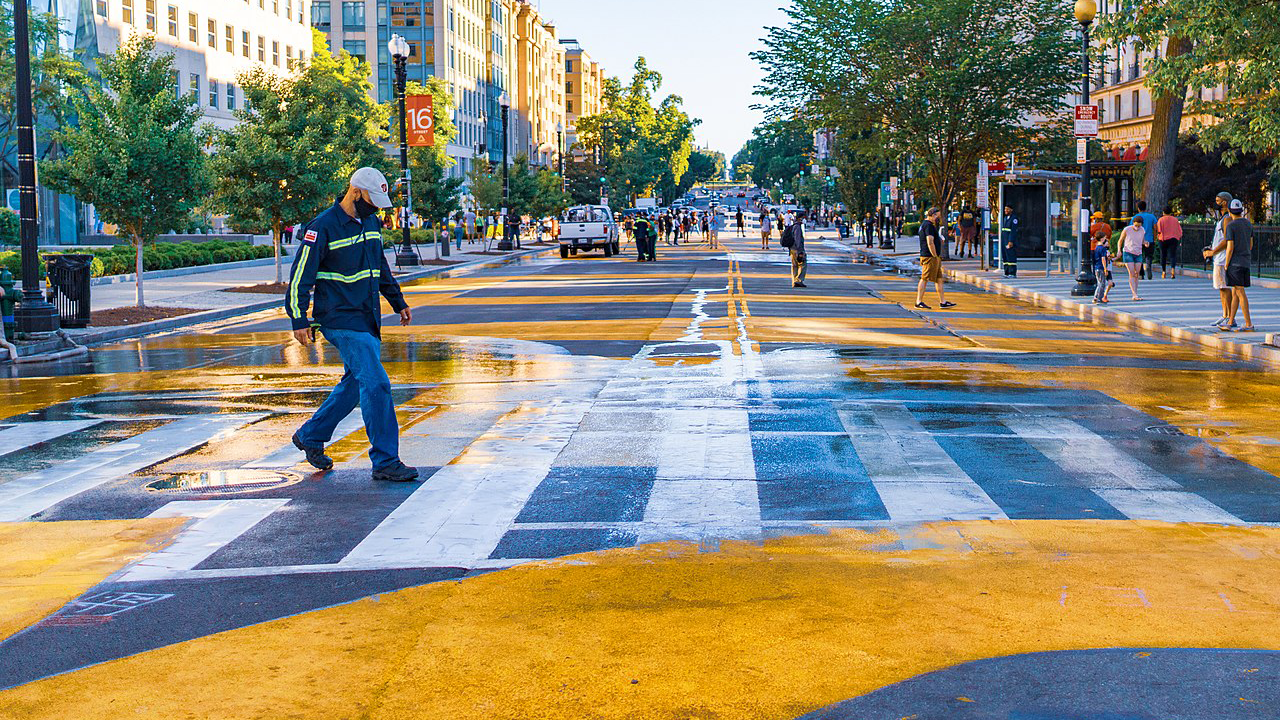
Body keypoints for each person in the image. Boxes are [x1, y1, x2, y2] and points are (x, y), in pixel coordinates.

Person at [285, 167, 418, 483]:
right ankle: (386, 460)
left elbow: (381, 268)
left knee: (357, 382)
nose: (377, 209)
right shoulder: (323, 227)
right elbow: (300, 275)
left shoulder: (371, 223)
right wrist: (298, 317)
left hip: (366, 317)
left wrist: (398, 301)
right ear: (356, 192)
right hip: (339, 318)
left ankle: (311, 435)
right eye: (373, 201)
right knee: (376, 383)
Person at [1221, 198, 1254, 332]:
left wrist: (1226, 263)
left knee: (1240, 292)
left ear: (1229, 211)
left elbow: (1230, 247)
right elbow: (1251, 245)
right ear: (1241, 211)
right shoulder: (1248, 224)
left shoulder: (1231, 226)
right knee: (1235, 292)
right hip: (1246, 261)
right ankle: (1230, 322)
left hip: (1235, 263)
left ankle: (1248, 324)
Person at [1203, 192, 1236, 328]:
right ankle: (1225, 315)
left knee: (1225, 287)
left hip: (1222, 258)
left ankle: (1230, 318)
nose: (1216, 203)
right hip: (1218, 257)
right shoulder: (1221, 218)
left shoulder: (1227, 219)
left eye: (1218, 201)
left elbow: (1227, 240)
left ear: (1225, 202)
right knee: (1221, 288)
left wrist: (1213, 252)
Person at [915, 206, 956, 310]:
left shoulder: (925, 225)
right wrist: (934, 255)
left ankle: (943, 302)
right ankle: (918, 301)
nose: (938, 219)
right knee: (924, 278)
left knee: (939, 279)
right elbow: (930, 241)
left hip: (933, 257)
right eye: (937, 216)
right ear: (933, 215)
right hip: (929, 257)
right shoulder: (928, 225)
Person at [1119, 214, 1147, 301]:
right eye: (1136, 225)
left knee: (1136, 273)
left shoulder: (1142, 230)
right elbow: (1120, 240)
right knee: (1131, 273)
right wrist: (1119, 250)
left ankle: (1136, 292)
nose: (1137, 228)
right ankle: (1134, 294)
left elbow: (1142, 241)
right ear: (1133, 223)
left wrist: (1145, 243)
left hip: (1138, 253)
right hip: (1128, 252)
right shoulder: (1127, 229)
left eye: (1139, 226)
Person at [1134, 200, 1159, 280]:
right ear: (1146, 208)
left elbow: (1132, 228)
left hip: (1138, 241)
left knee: (1139, 257)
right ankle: (1148, 266)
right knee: (1149, 255)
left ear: (1138, 208)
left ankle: (1141, 274)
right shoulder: (1151, 216)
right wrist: (1155, 238)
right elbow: (1155, 228)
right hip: (1149, 239)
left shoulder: (1135, 217)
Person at [1156, 206, 1182, 279]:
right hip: (1173, 238)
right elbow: (1179, 230)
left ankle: (1163, 272)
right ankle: (1173, 270)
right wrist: (1179, 236)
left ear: (1163, 212)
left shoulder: (1161, 220)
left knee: (1163, 255)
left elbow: (1159, 230)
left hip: (1163, 239)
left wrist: (1158, 237)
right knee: (1172, 255)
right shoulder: (1175, 220)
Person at [783, 212, 807, 288]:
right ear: (800, 218)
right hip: (797, 249)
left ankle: (795, 281)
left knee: (795, 265)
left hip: (792, 249)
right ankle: (799, 280)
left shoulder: (794, 226)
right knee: (803, 264)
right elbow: (797, 239)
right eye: (803, 218)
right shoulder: (797, 227)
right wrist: (800, 251)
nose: (804, 220)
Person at [1092, 235, 1112, 304]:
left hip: (1097, 267)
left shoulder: (1097, 247)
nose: (1105, 239)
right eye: (1104, 238)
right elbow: (1103, 259)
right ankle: (1099, 298)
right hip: (1101, 267)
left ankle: (1095, 296)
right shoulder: (1103, 248)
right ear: (1101, 239)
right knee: (1102, 284)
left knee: (1099, 283)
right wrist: (1105, 269)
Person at [1001, 205, 1019, 277]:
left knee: (1011, 256)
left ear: (1011, 210)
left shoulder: (1014, 219)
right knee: (1005, 256)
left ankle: (1012, 273)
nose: (1006, 210)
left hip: (1009, 240)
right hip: (1004, 240)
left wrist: (1011, 241)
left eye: (1007, 209)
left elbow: (1013, 231)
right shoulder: (1005, 218)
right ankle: (1007, 272)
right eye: (1005, 209)